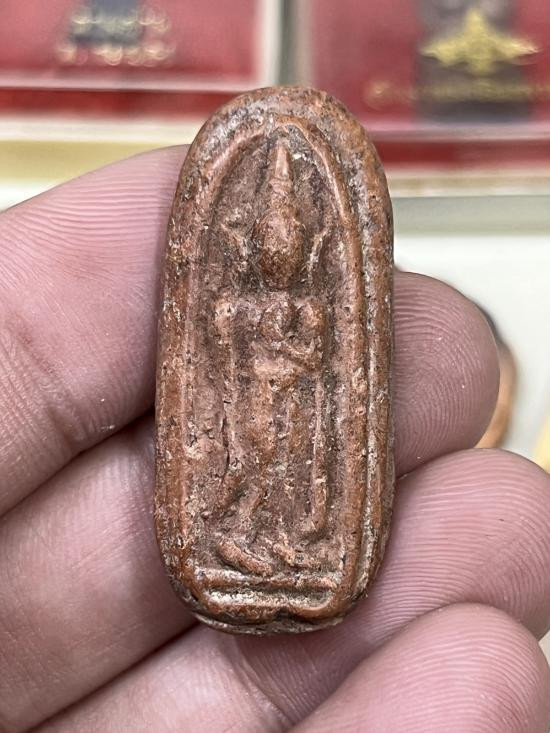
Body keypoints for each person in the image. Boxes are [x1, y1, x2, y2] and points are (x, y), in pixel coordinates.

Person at [0, 146, 549, 732]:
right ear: (256, 245)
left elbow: (314, 360)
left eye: (290, 245)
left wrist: (291, 356)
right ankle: (238, 545)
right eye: (270, 243)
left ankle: (284, 549)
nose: (279, 256)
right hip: (247, 413)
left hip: (299, 415)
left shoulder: (307, 307)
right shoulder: (235, 306)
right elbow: (222, 361)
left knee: (299, 490)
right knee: (249, 475)